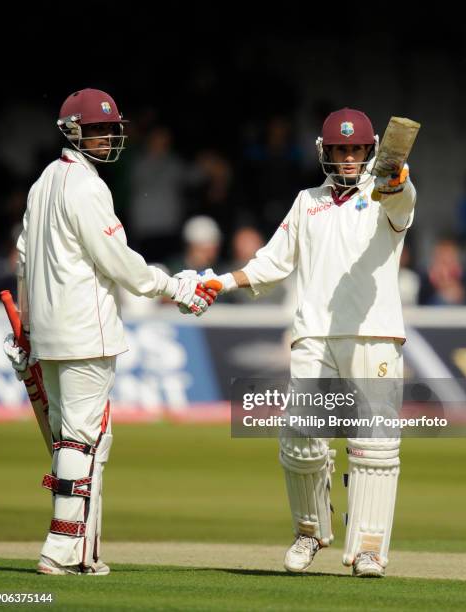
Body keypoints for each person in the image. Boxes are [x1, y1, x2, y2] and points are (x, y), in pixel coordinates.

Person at [178, 108, 416, 578]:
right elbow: (271, 262)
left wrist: (395, 178)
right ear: (325, 152)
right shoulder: (307, 202)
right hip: (313, 334)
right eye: (340, 149)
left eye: (356, 149)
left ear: (370, 152)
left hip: (375, 332)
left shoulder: (388, 192)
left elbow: (401, 200)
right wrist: (221, 283)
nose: (348, 158)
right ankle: (309, 533)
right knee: (301, 437)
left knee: (375, 445)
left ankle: (368, 547)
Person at [2, 88, 219, 576]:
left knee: (76, 440)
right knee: (83, 439)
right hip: (86, 330)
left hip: (53, 333)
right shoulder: (87, 187)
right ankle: (61, 549)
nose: (105, 137)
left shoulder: (43, 183)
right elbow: (119, 262)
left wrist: (29, 328)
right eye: (95, 129)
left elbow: (22, 256)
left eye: (108, 128)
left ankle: (84, 552)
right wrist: (175, 288)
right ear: (72, 131)